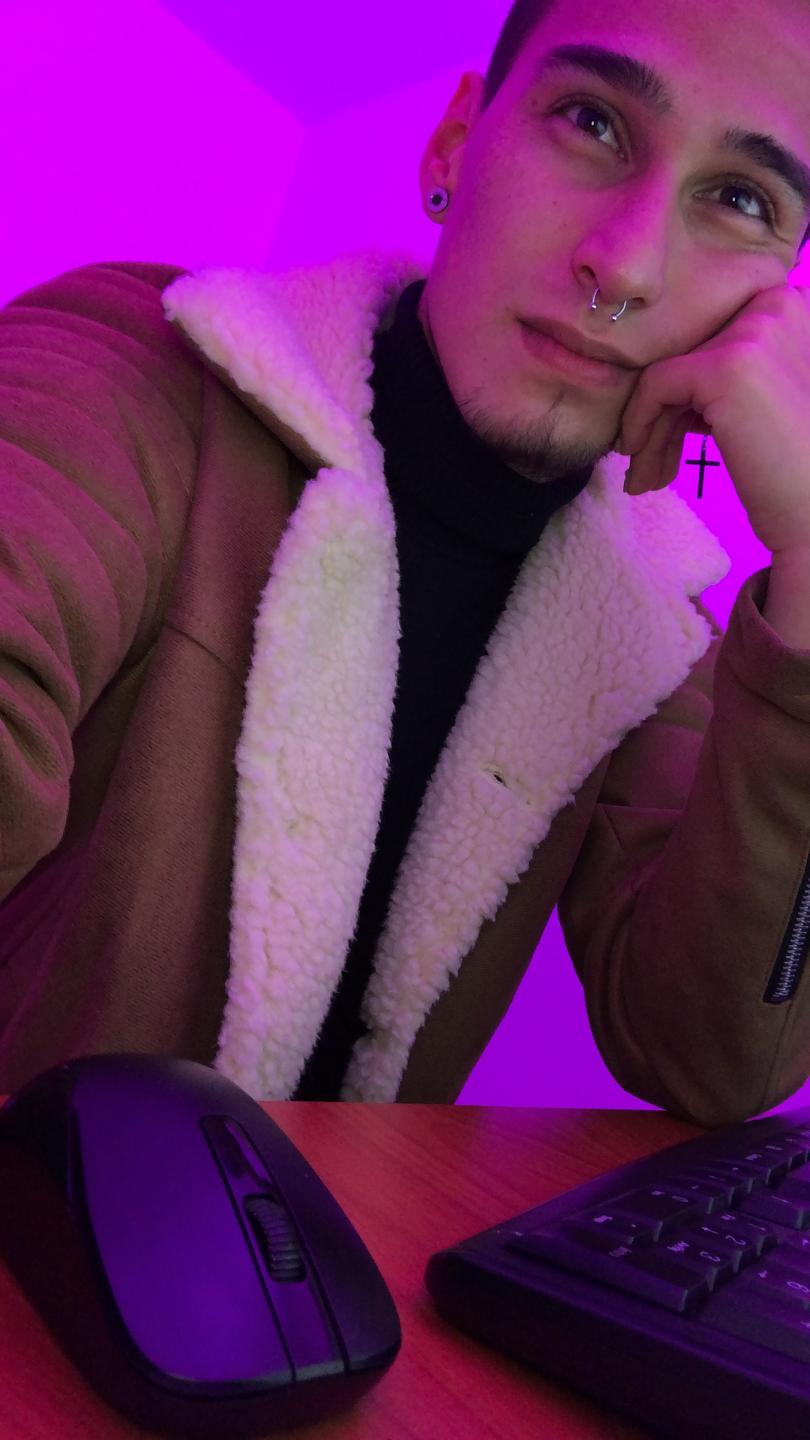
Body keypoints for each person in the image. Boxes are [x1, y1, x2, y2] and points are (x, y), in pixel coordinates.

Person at [1, 0, 809, 1125]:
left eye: (740, 200)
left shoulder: (651, 628)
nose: (624, 266)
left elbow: (719, 1061)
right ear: (453, 147)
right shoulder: (128, 371)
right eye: (591, 121)